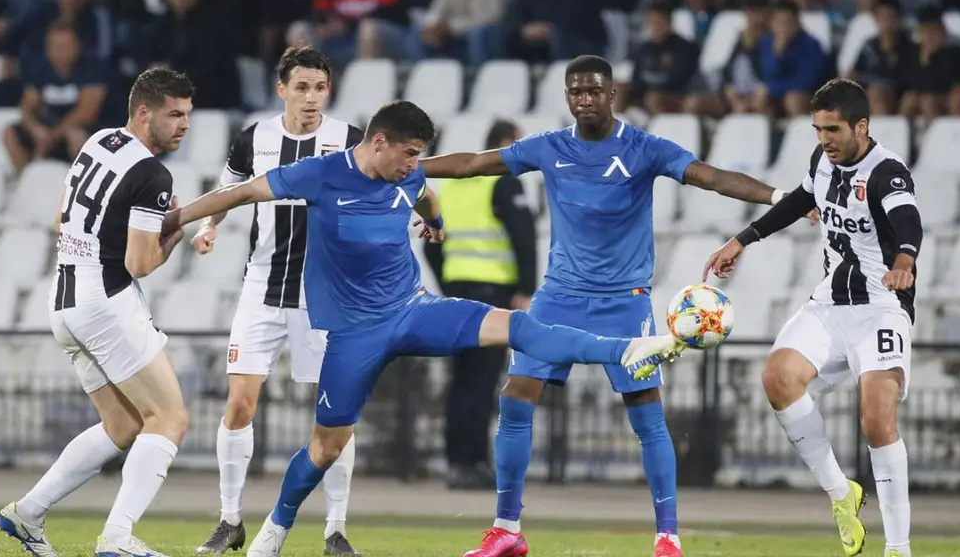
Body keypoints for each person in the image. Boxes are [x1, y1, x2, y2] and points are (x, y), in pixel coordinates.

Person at [160, 99, 686, 557]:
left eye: (420, 155)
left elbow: (425, 194)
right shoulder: (319, 174)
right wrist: (175, 220)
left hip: (413, 310)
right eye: (410, 153)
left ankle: (625, 350)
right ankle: (276, 526)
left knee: (517, 327)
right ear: (380, 143)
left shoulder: (406, 175)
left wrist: (435, 223)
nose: (416, 165)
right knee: (326, 447)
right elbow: (241, 193)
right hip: (354, 333)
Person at [420, 54, 803, 557]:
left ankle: (667, 537)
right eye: (575, 91)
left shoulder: (643, 148)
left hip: (624, 301)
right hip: (558, 297)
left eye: (593, 91)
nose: (584, 99)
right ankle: (507, 529)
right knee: (515, 398)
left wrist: (782, 197)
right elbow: (473, 164)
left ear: (612, 94)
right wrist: (406, 168)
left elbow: (709, 176)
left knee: (646, 415)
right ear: (566, 96)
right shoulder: (550, 147)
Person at [703, 78, 920, 557]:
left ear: (861, 126)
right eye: (818, 130)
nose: (825, 139)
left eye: (833, 130)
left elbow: (908, 220)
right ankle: (841, 494)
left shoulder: (887, 172)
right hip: (829, 304)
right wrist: (741, 239)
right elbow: (801, 201)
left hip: (881, 307)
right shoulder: (823, 161)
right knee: (777, 378)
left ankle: (898, 548)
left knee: (877, 419)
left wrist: (904, 260)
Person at [0, 67, 195, 557]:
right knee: (169, 418)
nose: (184, 125)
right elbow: (140, 264)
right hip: (105, 301)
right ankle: (119, 537)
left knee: (123, 426)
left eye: (187, 114)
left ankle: (28, 511)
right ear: (144, 113)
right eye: (174, 114)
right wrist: (173, 236)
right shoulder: (153, 174)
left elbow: (59, 218)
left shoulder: (99, 140)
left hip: (64, 301)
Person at [191, 46, 363, 557]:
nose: (311, 97)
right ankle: (229, 520)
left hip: (323, 297)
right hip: (262, 291)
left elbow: (381, 190)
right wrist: (207, 226)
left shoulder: (349, 140)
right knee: (239, 404)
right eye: (302, 87)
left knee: (335, 416)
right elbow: (226, 191)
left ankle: (335, 529)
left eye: (319, 87)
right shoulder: (255, 139)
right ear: (282, 89)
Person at [427, 120, 536, 490]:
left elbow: (431, 243)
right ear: (504, 144)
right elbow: (523, 237)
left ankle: (456, 461)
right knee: (482, 380)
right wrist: (525, 289)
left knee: (461, 381)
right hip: (494, 294)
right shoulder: (503, 181)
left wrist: (450, 283)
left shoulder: (454, 187)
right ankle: (475, 462)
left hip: (457, 293)